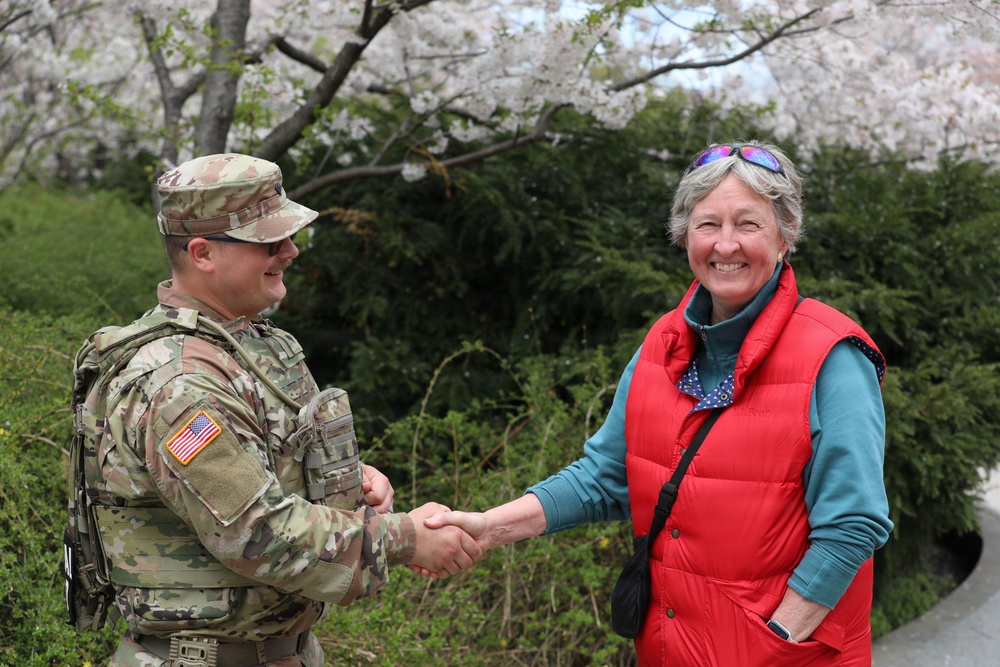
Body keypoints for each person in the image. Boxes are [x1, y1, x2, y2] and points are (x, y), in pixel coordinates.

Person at [423, 141, 893, 666]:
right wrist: (489, 527)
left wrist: (771, 643)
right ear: (684, 236)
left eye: (749, 224)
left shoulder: (832, 357)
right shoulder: (662, 344)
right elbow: (605, 476)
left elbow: (853, 526)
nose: (726, 244)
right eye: (707, 224)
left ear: (786, 235)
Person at [78, 153, 481, 667]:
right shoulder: (179, 385)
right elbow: (258, 532)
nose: (290, 251)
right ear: (202, 253)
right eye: (269, 241)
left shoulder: (253, 347)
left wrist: (350, 481)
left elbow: (258, 470)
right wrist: (404, 540)